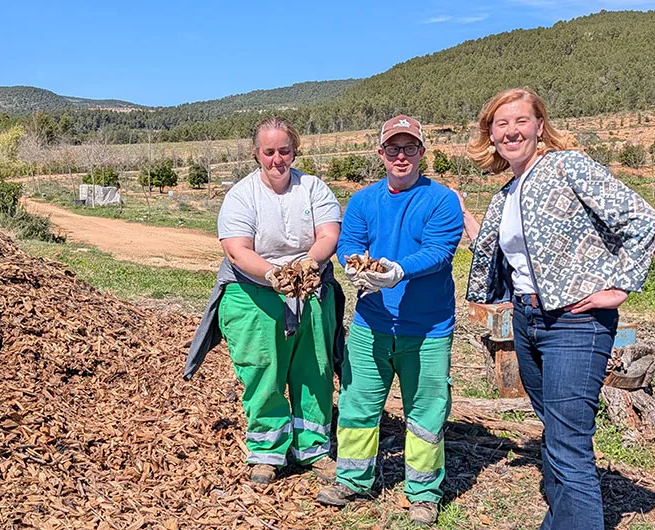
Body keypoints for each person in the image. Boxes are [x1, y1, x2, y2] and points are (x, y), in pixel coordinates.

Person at [464, 88, 655, 529]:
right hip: (528, 318)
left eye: (521, 121)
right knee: (554, 428)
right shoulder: (508, 192)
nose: (511, 131)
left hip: (576, 321)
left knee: (568, 442)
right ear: (490, 135)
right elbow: (516, 256)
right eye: (501, 124)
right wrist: (474, 228)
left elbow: (642, 217)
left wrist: (621, 285)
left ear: (539, 126)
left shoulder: (567, 167)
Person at [316, 115, 463, 527]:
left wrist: (397, 271)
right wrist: (352, 263)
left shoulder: (441, 200)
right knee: (358, 403)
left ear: (422, 153)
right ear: (380, 153)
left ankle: (423, 492)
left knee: (426, 410)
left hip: (427, 327)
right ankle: (352, 479)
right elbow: (349, 242)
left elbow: (439, 251)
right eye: (393, 148)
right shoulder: (363, 200)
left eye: (410, 148)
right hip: (371, 322)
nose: (402, 156)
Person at [184, 116, 345, 486]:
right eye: (269, 151)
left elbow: (328, 234)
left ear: (295, 151)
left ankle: (313, 448)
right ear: (257, 153)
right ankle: (267, 450)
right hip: (254, 292)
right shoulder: (242, 195)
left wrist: (309, 263)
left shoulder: (313, 188)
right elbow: (237, 250)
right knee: (263, 371)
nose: (277, 159)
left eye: (284, 151)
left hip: (309, 288)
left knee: (314, 369)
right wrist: (272, 275)